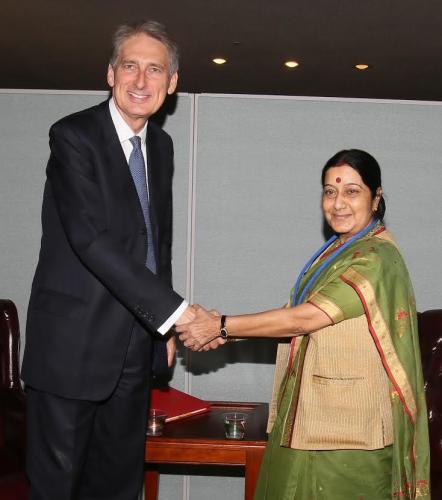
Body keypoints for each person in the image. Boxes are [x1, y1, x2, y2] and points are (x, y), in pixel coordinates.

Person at [176, 149, 430, 499]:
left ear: (377, 197)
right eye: (330, 191)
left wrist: (219, 326)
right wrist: (223, 332)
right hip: (311, 415)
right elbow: (293, 310)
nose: (338, 202)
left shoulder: (376, 257)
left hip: (350, 431)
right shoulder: (339, 250)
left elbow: (306, 318)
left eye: (352, 191)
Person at [21, 20, 194, 500]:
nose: (141, 81)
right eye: (130, 66)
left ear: (172, 83)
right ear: (110, 74)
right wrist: (176, 313)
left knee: (119, 487)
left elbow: (156, 240)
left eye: (154, 70)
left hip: (134, 351)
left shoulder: (161, 146)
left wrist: (160, 329)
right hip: (69, 351)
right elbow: (90, 240)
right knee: (58, 489)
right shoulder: (73, 136)